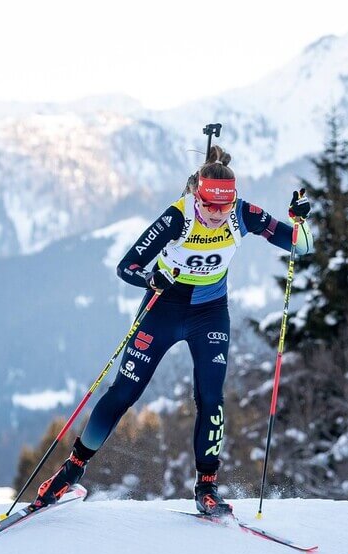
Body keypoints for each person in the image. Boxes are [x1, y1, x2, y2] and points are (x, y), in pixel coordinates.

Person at [32, 145, 313, 515]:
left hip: (210, 314)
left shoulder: (242, 213)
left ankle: (207, 487)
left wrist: (299, 222)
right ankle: (71, 471)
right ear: (197, 195)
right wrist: (152, 276)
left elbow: (301, 248)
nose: (216, 215)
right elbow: (126, 267)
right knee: (124, 392)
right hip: (162, 310)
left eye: (223, 207)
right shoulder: (177, 217)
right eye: (209, 206)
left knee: (211, 398)